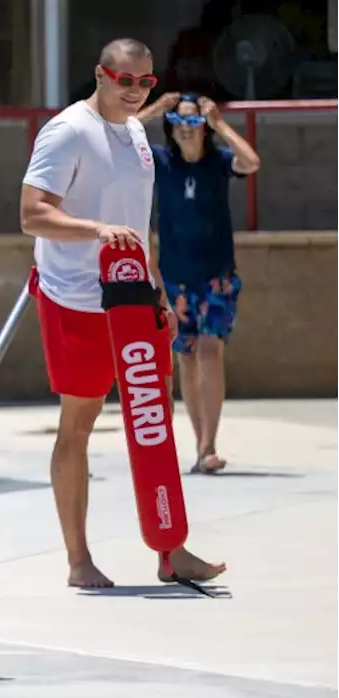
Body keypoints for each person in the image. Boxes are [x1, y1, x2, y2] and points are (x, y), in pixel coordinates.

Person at [19, 37, 227, 590]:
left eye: (145, 83)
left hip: (134, 301)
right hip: (75, 297)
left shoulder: (136, 132)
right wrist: (95, 231)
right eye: (125, 79)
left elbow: (137, 221)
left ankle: (170, 549)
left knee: (152, 423)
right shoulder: (67, 132)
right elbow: (32, 215)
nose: (135, 91)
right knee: (79, 424)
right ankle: (78, 560)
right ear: (101, 74)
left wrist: (159, 291)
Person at [137, 91, 261, 474]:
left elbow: (252, 162)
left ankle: (209, 445)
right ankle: (199, 443)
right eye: (179, 122)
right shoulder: (160, 161)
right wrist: (157, 108)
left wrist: (219, 122)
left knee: (210, 350)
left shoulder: (218, 162)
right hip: (176, 279)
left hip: (216, 276)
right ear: (170, 128)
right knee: (186, 357)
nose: (186, 131)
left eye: (193, 122)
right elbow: (120, 135)